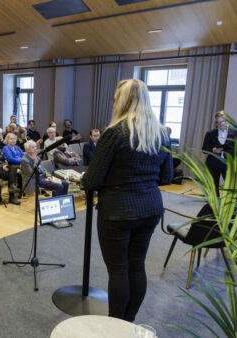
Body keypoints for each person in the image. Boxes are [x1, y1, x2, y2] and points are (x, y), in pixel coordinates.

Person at [81, 79, 173, 322]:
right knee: (137, 265)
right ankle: (127, 321)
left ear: (122, 101)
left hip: (118, 211)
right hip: (151, 207)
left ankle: (114, 325)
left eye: (115, 98)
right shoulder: (162, 134)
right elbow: (167, 176)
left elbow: (91, 181)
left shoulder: (114, 132)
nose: (113, 103)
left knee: (119, 270)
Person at [201, 111, 237, 195]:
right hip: (213, 164)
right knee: (213, 188)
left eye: (222, 122)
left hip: (229, 163)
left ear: (227, 121)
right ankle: (214, 205)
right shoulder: (210, 133)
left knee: (231, 187)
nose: (220, 124)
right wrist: (213, 150)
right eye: (217, 122)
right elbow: (204, 149)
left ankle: (230, 205)